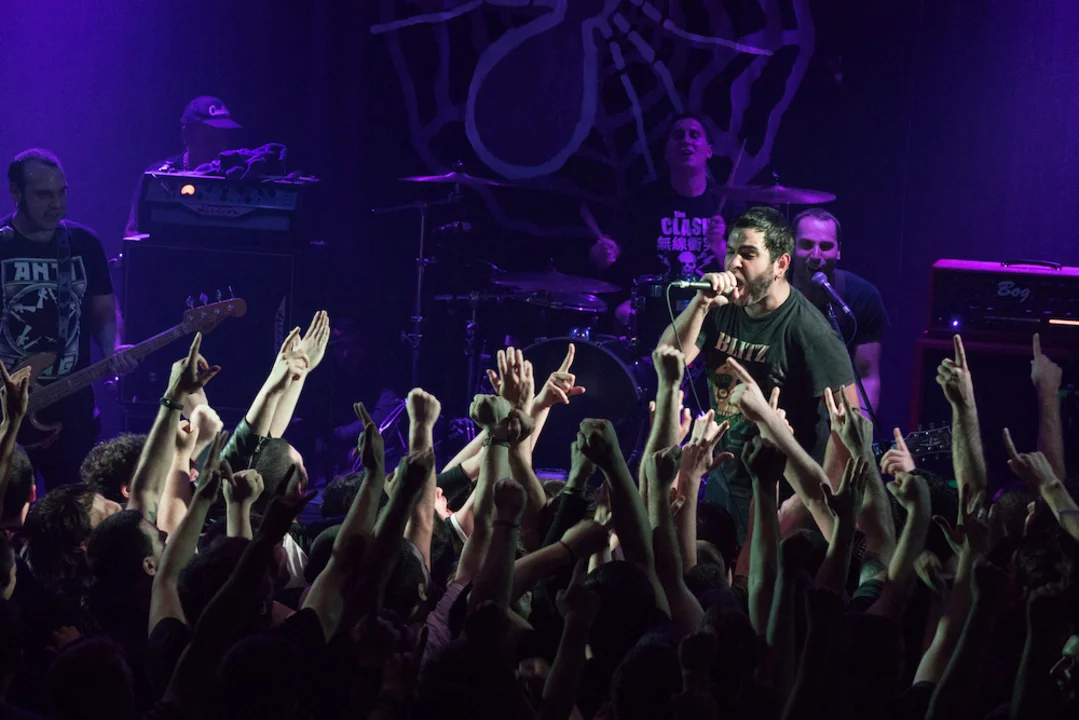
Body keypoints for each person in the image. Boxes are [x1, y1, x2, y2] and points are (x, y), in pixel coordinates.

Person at [658, 206, 855, 540]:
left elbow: (850, 426)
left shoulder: (810, 331)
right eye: (731, 251)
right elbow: (667, 361)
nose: (734, 263)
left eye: (748, 254)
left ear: (780, 265)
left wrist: (805, 504)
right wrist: (700, 304)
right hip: (724, 481)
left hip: (779, 494)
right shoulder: (720, 307)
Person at [1, 149, 137, 490]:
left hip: (71, 406)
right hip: (7, 408)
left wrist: (113, 348)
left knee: (73, 506)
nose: (56, 204)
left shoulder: (83, 243)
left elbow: (103, 311)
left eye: (61, 192)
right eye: (43, 195)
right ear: (16, 193)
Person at [588, 114, 727, 325]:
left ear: (709, 150)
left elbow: (743, 275)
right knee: (623, 314)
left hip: (707, 305)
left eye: (694, 135)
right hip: (654, 304)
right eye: (678, 135)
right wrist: (602, 253)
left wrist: (719, 245)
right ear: (666, 152)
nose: (686, 140)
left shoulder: (726, 203)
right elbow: (606, 250)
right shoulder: (643, 199)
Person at [790, 208, 888, 412]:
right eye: (807, 245)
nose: (816, 255)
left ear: (838, 251)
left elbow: (867, 376)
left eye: (825, 247)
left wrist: (860, 421)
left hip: (833, 413)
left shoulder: (862, 296)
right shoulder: (771, 290)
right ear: (791, 246)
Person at [124, 96, 243, 237]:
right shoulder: (158, 177)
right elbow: (132, 232)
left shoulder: (236, 177)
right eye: (210, 139)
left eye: (223, 139)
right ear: (186, 134)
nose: (219, 147)